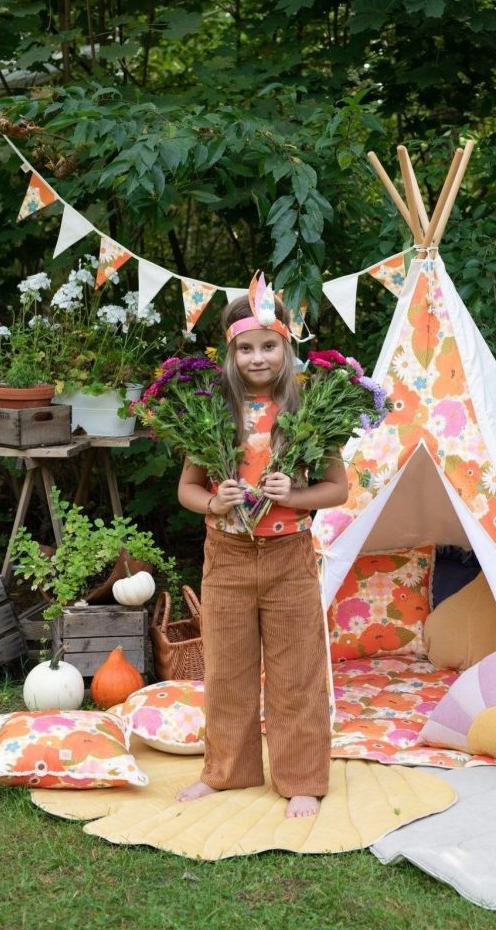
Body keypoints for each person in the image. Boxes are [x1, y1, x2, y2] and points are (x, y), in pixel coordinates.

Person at [176, 276, 348, 818]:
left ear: (286, 346)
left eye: (268, 345)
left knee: (297, 671)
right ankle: (226, 771)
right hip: (225, 557)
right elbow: (186, 489)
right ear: (230, 351)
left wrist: (295, 493)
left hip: (289, 558)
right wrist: (215, 502)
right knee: (227, 670)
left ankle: (301, 777)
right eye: (246, 348)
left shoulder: (309, 409)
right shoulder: (213, 410)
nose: (258, 357)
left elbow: (338, 489)